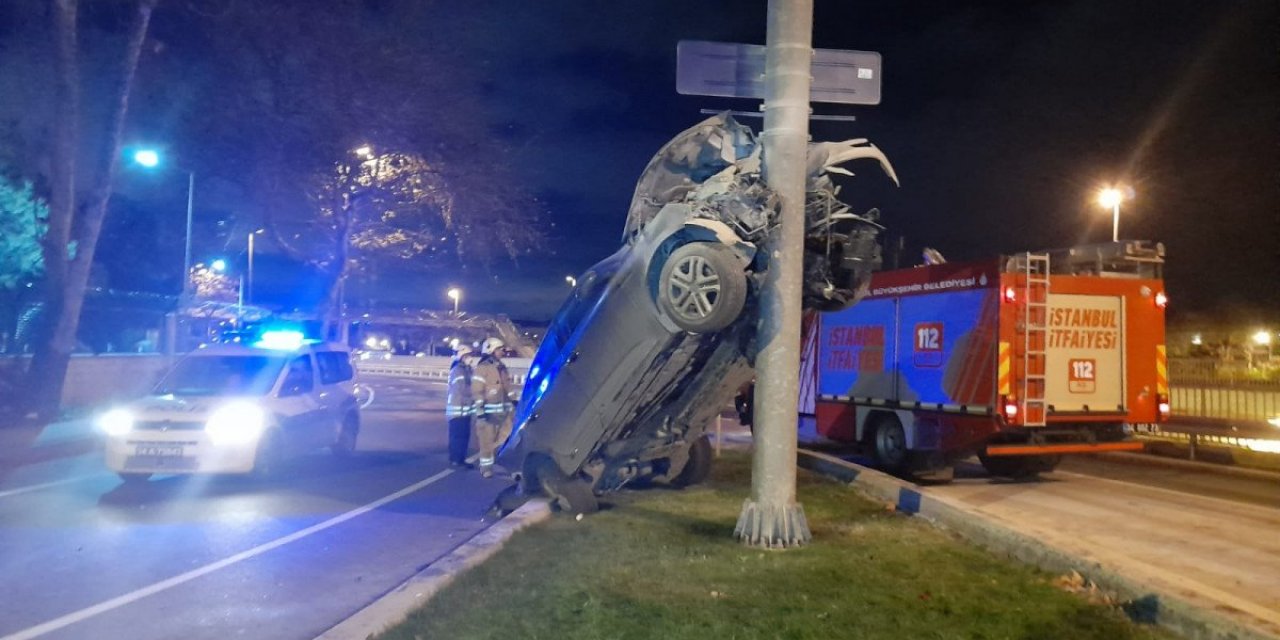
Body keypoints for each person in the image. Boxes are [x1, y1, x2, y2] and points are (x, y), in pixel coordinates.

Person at [470, 337, 514, 478]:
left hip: (503, 412)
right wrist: (480, 411)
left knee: (506, 438)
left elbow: (506, 389)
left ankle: (500, 463)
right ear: (491, 350)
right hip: (487, 413)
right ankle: (486, 468)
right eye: (500, 349)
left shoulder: (501, 366)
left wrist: (513, 402)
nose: (503, 352)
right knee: (486, 442)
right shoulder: (483, 368)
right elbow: (477, 390)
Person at [444, 344, 475, 469]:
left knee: (464, 436)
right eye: (467, 356)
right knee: (457, 436)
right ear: (461, 356)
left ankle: (461, 459)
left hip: (465, 409)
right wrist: (476, 392)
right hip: (457, 409)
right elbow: (462, 389)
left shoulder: (466, 369)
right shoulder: (457, 370)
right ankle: (456, 460)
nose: (470, 358)